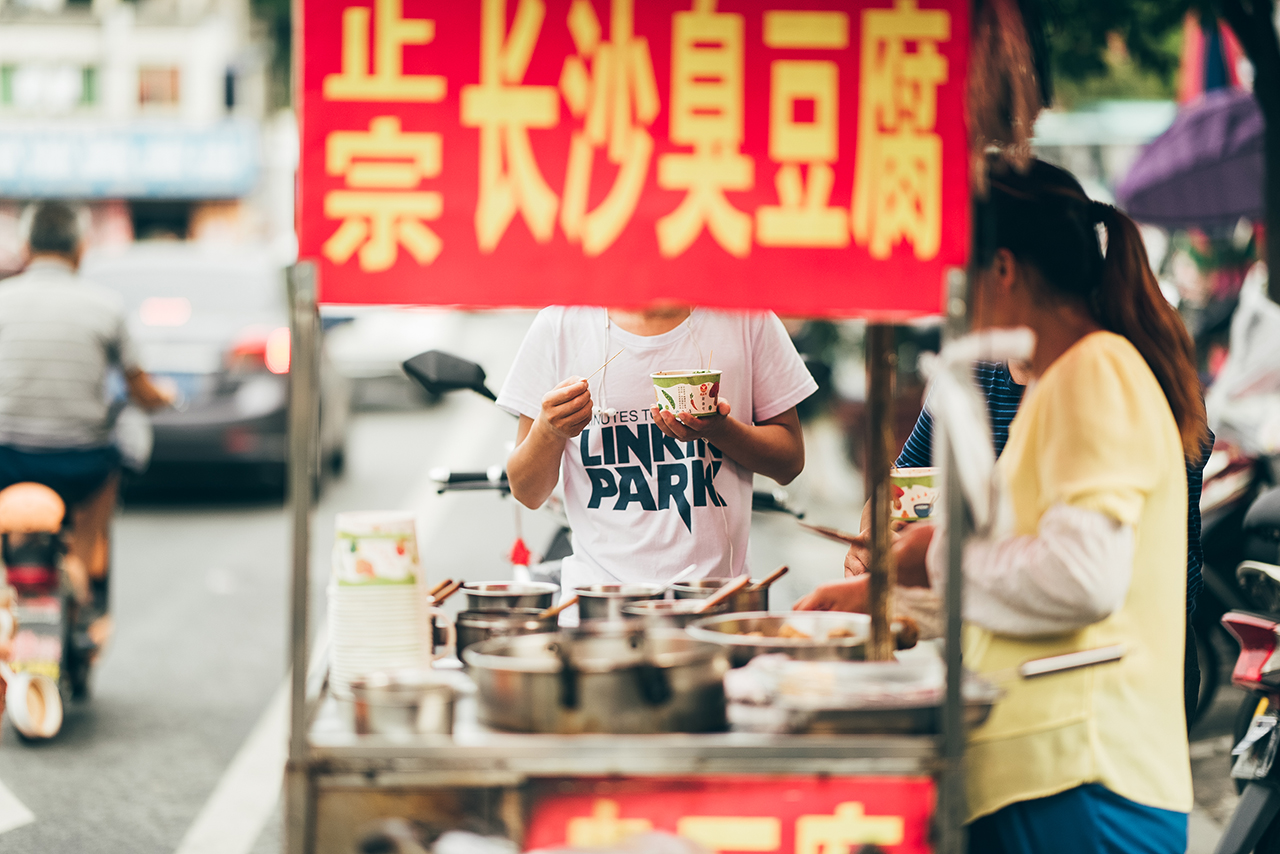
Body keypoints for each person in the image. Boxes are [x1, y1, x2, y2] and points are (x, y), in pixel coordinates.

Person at [800, 159, 1205, 853]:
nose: (949, 298)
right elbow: (1023, 576)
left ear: (1004, 269)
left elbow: (1082, 578)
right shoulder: (1060, 379)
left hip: (1080, 781)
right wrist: (886, 598)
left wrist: (930, 557)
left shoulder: (1094, 370)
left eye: (958, 273)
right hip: (1049, 776)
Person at [814, 357, 1212, 727]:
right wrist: (878, 544)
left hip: (1121, 667)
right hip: (999, 655)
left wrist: (933, 560)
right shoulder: (973, 370)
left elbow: (1085, 576)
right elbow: (902, 491)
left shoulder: (1104, 377)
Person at [497, 305, 817, 606]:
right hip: (596, 609)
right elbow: (527, 491)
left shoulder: (746, 317)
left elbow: (789, 461)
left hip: (715, 606)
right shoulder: (560, 325)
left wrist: (719, 430)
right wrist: (548, 430)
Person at [0, 202, 171, 653]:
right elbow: (141, 390)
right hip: (79, 464)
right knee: (116, 458)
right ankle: (80, 569)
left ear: (25, 247)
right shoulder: (105, 307)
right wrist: (164, 398)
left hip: (5, 459)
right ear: (80, 250)